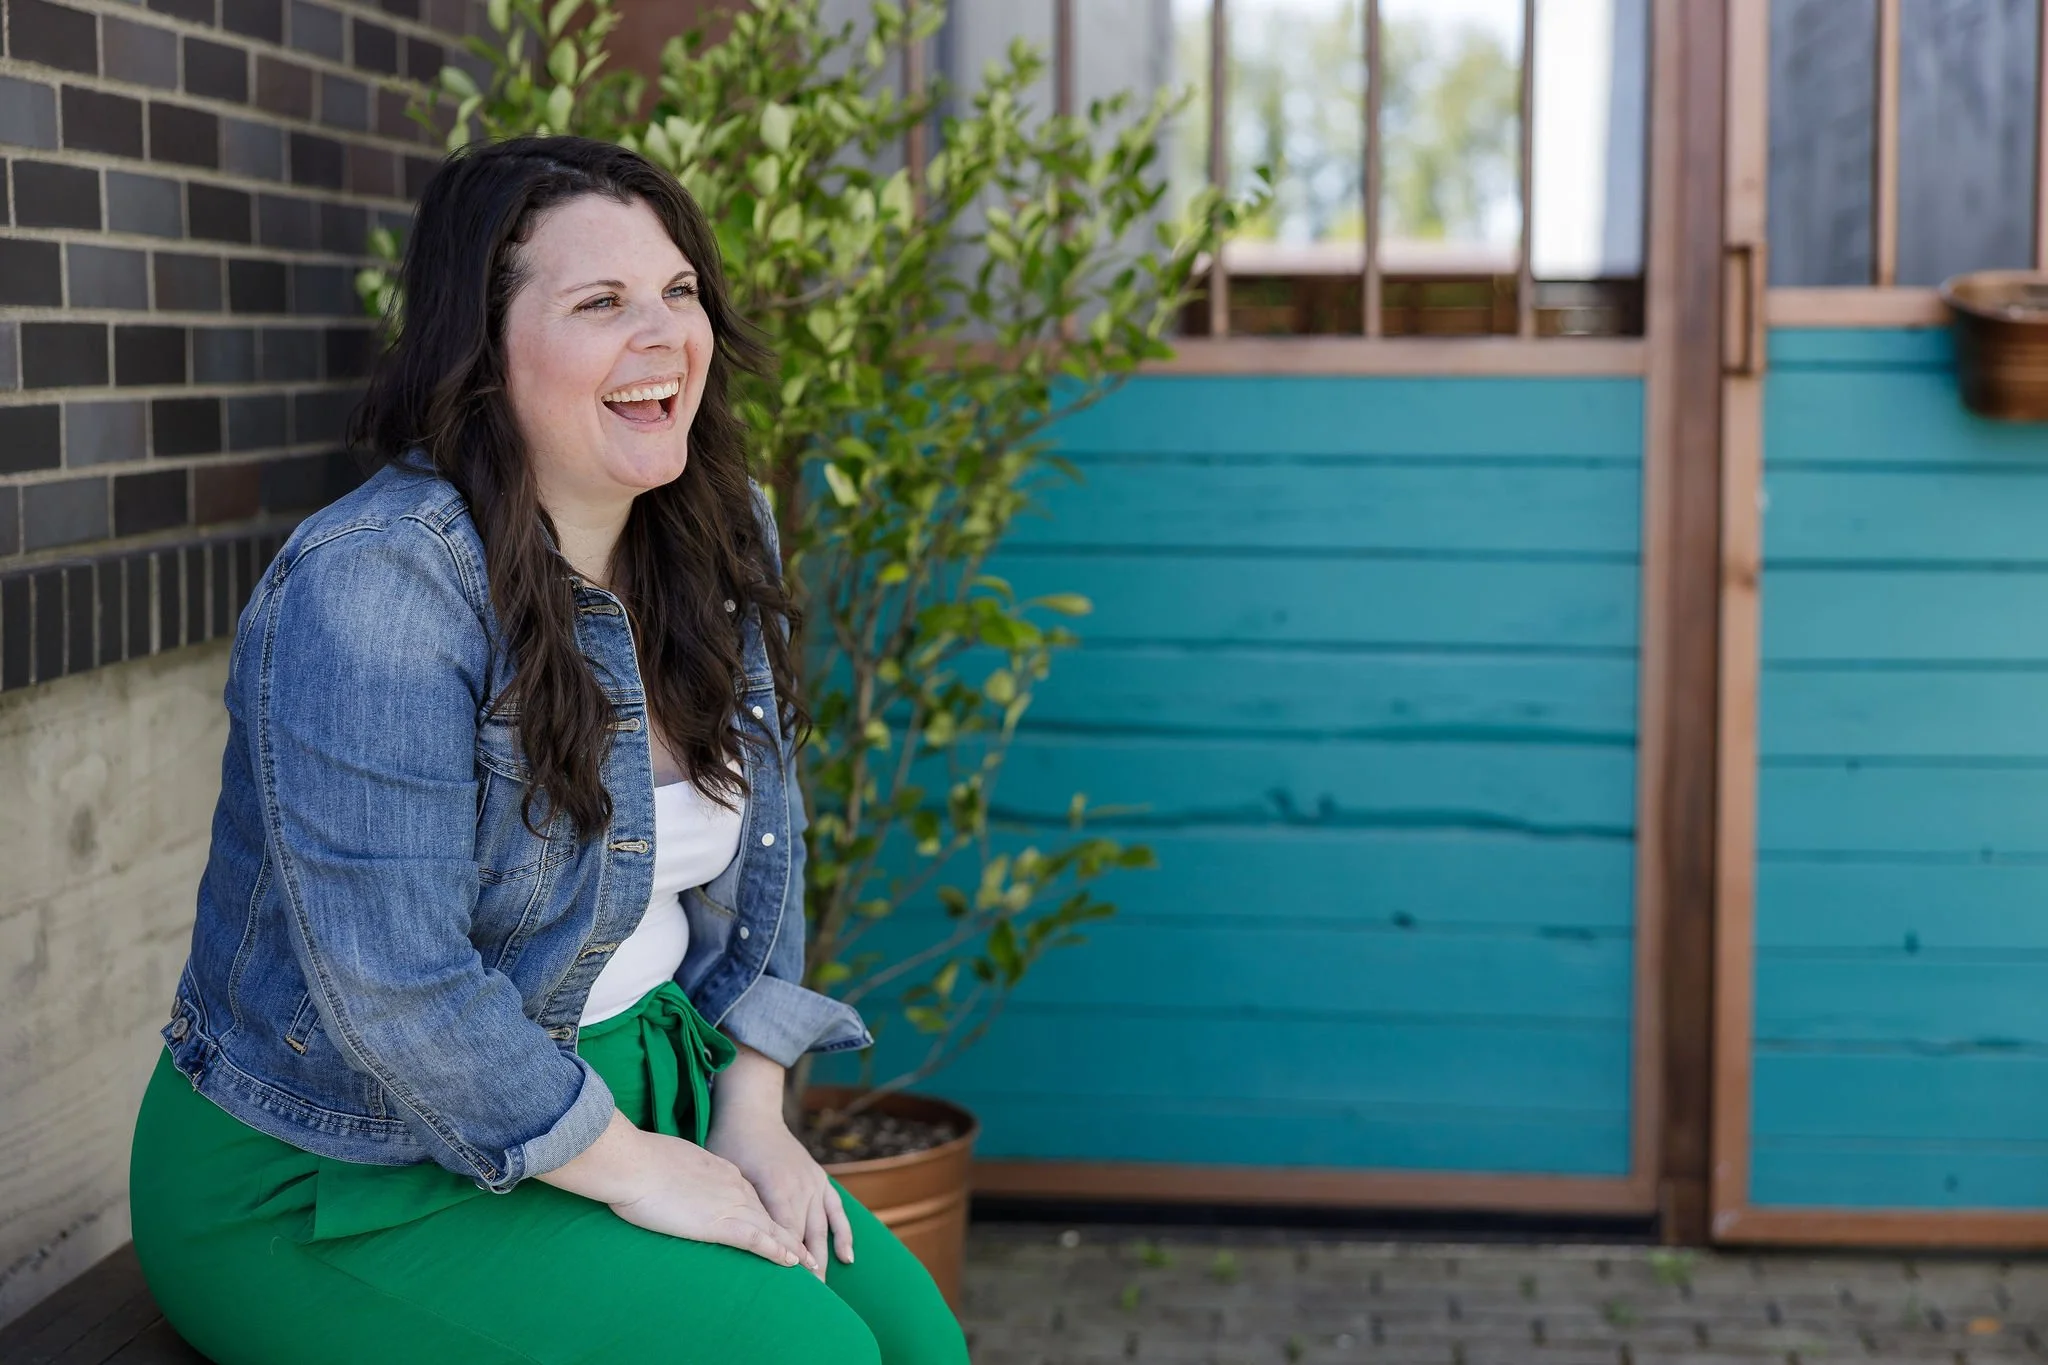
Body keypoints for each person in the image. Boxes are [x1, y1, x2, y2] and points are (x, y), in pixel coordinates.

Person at [127, 135, 969, 1365]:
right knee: (808, 1356)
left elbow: (764, 847)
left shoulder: (714, 531)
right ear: (480, 348)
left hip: (636, 1085)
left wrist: (751, 1103)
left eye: (678, 292)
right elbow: (399, 987)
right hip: (343, 1168)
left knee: (914, 1345)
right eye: (601, 303)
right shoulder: (377, 588)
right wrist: (628, 1169)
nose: (663, 336)